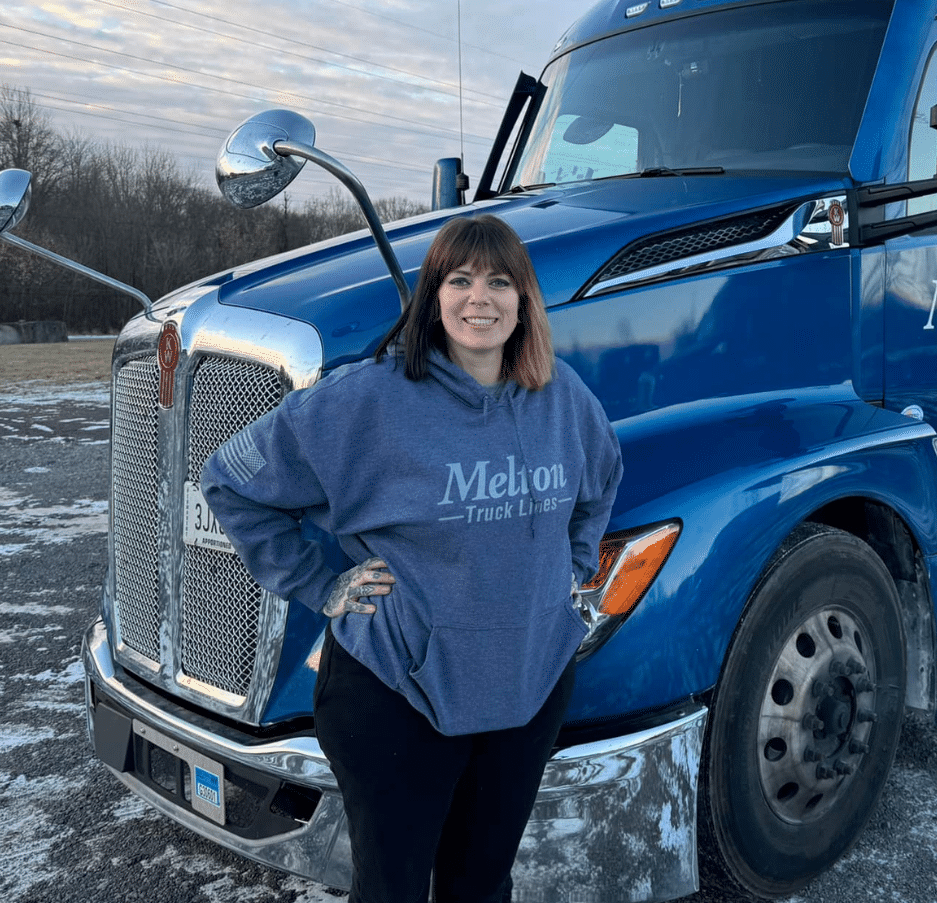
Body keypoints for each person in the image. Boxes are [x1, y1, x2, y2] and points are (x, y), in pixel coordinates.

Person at [201, 214, 622, 903]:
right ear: (433, 295)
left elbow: (601, 481)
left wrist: (572, 568)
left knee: (482, 884)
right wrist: (320, 583)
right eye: (459, 280)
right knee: (393, 890)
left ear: (524, 301)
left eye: (499, 282)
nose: (478, 299)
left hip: (527, 685)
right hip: (396, 692)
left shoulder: (562, 398)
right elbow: (231, 480)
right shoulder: (367, 400)